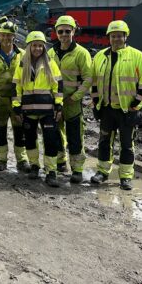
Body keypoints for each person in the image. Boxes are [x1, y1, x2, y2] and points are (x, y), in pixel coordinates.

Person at [90, 20, 142, 190]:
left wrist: (136, 106)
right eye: (113, 36)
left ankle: (125, 176)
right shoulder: (100, 57)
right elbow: (94, 82)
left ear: (126, 37)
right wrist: (96, 104)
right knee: (104, 142)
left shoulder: (138, 56)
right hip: (107, 109)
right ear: (109, 37)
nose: (116, 39)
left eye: (119, 36)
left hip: (127, 110)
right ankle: (102, 172)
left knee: (127, 145)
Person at [12, 31, 64, 187]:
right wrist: (16, 107)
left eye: (40, 46)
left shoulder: (51, 63)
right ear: (29, 47)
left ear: (44, 47)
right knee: (30, 140)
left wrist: (59, 104)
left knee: (50, 140)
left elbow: (58, 85)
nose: (37, 48)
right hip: (28, 110)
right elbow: (16, 87)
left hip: (48, 110)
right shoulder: (22, 64)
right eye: (34, 45)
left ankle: (51, 172)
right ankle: (34, 165)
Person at [48, 16, 92, 183]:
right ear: (56, 33)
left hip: (72, 103)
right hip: (55, 102)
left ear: (74, 31)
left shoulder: (82, 53)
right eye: (61, 31)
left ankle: (77, 170)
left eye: (68, 31)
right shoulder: (51, 53)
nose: (64, 34)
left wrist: (76, 97)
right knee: (56, 134)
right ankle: (60, 163)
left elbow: (88, 78)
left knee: (75, 137)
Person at [0, 21, 28, 172]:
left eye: (9, 35)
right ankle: (1, 160)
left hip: (17, 101)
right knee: (0, 131)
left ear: (14, 36)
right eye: (3, 35)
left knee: (20, 132)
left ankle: (21, 160)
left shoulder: (23, 55)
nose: (6, 38)